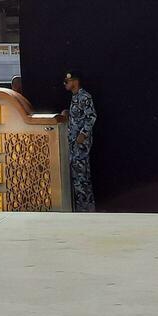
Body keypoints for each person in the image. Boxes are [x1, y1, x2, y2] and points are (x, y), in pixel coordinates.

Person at [63, 71, 97, 212]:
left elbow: (91, 116)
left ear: (75, 82)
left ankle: (86, 210)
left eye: (67, 81)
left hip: (80, 146)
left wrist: (83, 134)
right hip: (74, 146)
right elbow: (79, 117)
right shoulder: (75, 98)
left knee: (82, 179)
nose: (65, 84)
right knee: (78, 179)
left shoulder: (84, 97)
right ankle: (82, 209)